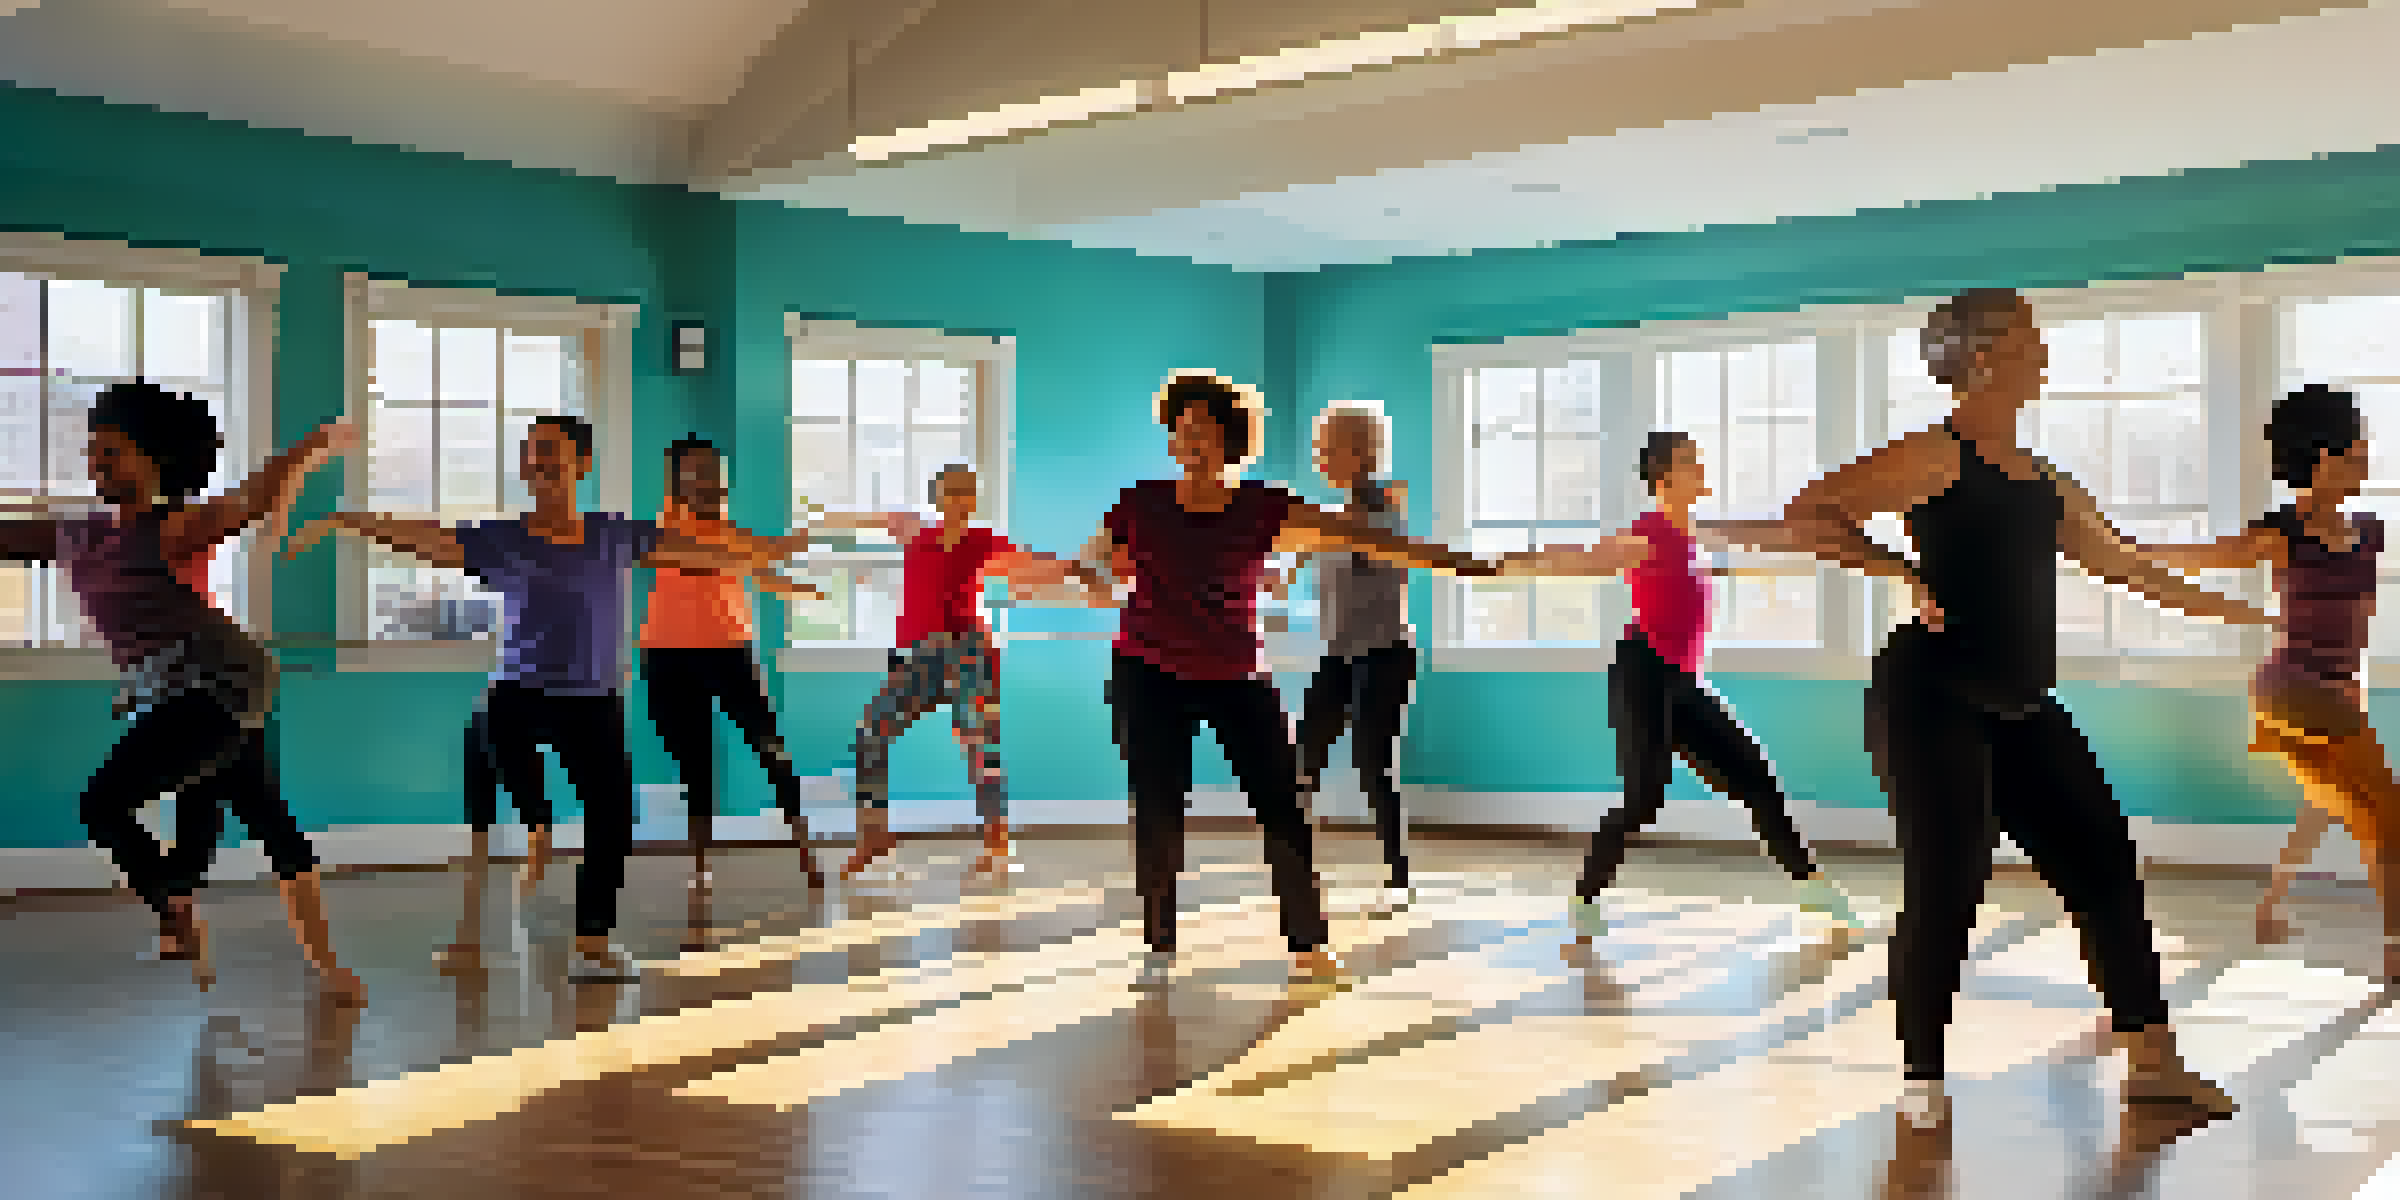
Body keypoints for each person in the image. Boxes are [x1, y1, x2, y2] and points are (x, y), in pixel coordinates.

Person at [1706, 289, 2269, 1127]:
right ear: (1980, 356)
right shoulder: (1938, 455)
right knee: (1950, 881)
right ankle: (1922, 1077)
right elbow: (1811, 512)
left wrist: (2245, 614)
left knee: (2107, 866)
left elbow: (2123, 564)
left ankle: (2155, 1063)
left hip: (2020, 702)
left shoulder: (2043, 478)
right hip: (1931, 696)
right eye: (2028, 337)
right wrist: (1900, 571)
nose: (2042, 351)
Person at [289, 415, 797, 981]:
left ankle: (592, 937)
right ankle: (538, 824)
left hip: (593, 700)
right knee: (493, 741)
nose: (538, 462)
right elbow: (428, 538)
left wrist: (761, 556)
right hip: (521, 691)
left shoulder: (614, 535)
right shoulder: (503, 539)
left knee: (615, 819)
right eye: (531, 453)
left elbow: (698, 550)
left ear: (582, 465)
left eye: (550, 451)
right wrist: (346, 520)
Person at [1077, 372, 1496, 981]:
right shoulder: (1138, 502)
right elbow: (1097, 563)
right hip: (1148, 671)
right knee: (1160, 808)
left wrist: (1456, 564)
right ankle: (1160, 942)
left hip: (1236, 674)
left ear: (1231, 440)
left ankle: (1307, 941)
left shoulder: (1266, 507)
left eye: (1205, 430)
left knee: (1284, 804)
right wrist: (1095, 582)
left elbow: (1367, 538)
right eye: (1181, 430)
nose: (1191, 441)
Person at [0, 382, 366, 1003]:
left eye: (111, 452)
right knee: (247, 822)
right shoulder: (74, 537)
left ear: (155, 460)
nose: (96, 463)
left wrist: (315, 446)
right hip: (166, 695)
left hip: (219, 688)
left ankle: (183, 917)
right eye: (92, 451)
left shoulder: (172, 528)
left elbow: (250, 498)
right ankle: (245, 937)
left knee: (107, 804)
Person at [1496, 430, 1865, 948]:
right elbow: (1587, 559)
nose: (1703, 469)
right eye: (1692, 463)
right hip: (1643, 674)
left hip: (1683, 680)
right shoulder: (1647, 533)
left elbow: (1762, 541)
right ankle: (1585, 899)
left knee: (1757, 776)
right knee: (1644, 795)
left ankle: (1812, 886)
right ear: (1664, 477)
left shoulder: (1694, 534)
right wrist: (1511, 563)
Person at [2142, 384, 2396, 980]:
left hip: (2330, 691)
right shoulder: (2283, 532)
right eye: (2356, 449)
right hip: (2292, 689)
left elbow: (2355, 620)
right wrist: (2120, 548)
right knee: (2386, 811)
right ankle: (2396, 949)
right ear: (2323, 459)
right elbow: (2205, 555)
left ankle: (2269, 908)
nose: (2366, 456)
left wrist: (2352, 685)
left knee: (2329, 805)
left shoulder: (2372, 530)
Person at [818, 463, 1091, 879]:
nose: (959, 499)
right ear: (937, 496)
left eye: (967, 492)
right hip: (917, 656)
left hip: (969, 653)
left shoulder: (983, 541)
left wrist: (1082, 568)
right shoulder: (914, 530)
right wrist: (821, 515)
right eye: (951, 491)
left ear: (975, 499)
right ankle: (872, 836)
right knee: (871, 731)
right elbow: (865, 518)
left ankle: (996, 842)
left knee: (979, 745)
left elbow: (1036, 566)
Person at [638, 435, 825, 889]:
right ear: (675, 481)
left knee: (772, 750)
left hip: (730, 651)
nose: (711, 481)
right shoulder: (664, 530)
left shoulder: (729, 530)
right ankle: (699, 867)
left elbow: (757, 572)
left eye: (716, 472)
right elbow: (711, 559)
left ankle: (806, 853)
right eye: (698, 472)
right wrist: (773, 548)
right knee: (697, 762)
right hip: (669, 655)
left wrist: (798, 590)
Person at [1271, 404, 1423, 901]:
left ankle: (1398, 875)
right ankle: (1293, 864)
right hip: (1338, 657)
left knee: (1372, 763)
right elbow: (1289, 567)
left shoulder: (1379, 512)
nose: (1319, 458)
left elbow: (1353, 536)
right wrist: (1276, 574)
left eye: (1327, 449)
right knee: (1300, 761)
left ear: (1359, 453)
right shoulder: (1334, 517)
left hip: (1384, 654)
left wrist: (1300, 541)